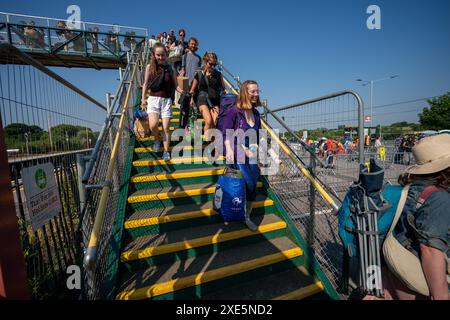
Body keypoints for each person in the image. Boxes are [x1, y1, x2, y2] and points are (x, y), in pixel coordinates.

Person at [365, 133, 450, 300]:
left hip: (396, 260)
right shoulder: (439, 198)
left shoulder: (414, 186)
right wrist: (442, 294)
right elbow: (431, 250)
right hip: (415, 272)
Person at [222, 80, 262, 231]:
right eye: (253, 92)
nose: (256, 94)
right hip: (237, 151)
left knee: (252, 186)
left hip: (252, 154)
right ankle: (233, 209)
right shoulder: (234, 111)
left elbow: (258, 136)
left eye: (257, 91)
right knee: (246, 183)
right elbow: (226, 133)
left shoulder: (256, 113)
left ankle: (246, 215)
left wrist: (259, 148)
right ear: (245, 92)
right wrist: (230, 149)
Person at [141, 43, 182, 160]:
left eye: (162, 55)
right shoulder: (150, 67)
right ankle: (157, 138)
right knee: (153, 125)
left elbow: (176, 86)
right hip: (153, 99)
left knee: (166, 127)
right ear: (154, 55)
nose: (160, 57)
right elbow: (145, 84)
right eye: (158, 55)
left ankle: (166, 151)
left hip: (166, 101)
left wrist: (183, 92)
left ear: (166, 55)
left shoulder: (171, 68)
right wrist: (143, 98)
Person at [189, 52, 226, 133]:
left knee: (215, 123)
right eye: (211, 64)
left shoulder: (218, 74)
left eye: (214, 64)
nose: (212, 66)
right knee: (209, 121)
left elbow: (224, 89)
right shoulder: (199, 73)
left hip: (215, 100)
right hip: (202, 99)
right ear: (205, 62)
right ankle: (207, 141)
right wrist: (191, 99)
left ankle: (211, 143)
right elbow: (192, 89)